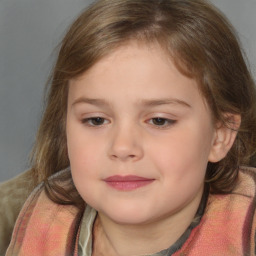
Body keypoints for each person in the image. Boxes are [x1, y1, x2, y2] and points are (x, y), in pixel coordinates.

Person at [5, 0, 256, 255]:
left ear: (220, 136)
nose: (122, 147)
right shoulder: (26, 224)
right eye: (96, 120)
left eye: (159, 120)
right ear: (65, 128)